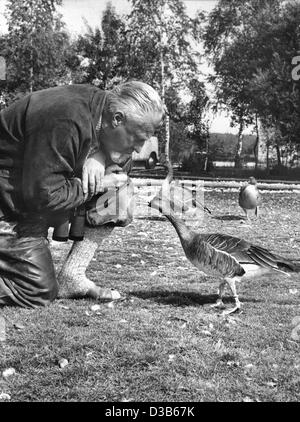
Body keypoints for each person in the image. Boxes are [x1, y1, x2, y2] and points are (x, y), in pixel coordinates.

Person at [0, 81, 164, 308]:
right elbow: (43, 196)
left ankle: (72, 276)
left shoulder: (101, 111)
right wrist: (96, 184)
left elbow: (121, 170)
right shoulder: (64, 118)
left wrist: (99, 156)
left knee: (118, 188)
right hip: (9, 202)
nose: (139, 148)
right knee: (36, 290)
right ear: (117, 119)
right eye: (137, 137)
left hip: (24, 199)